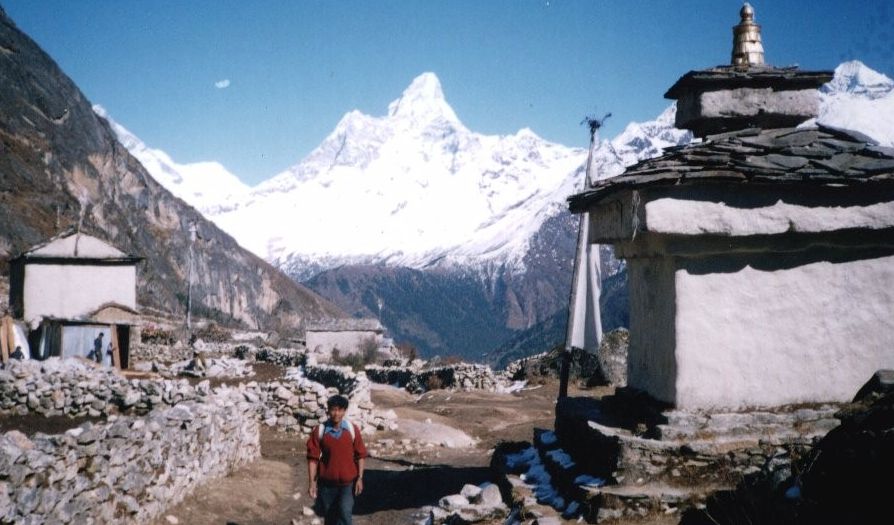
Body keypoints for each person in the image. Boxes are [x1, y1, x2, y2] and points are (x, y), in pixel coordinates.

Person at [306, 394, 367, 525]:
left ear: (344, 411)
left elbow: (360, 455)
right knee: (330, 517)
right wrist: (312, 483)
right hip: (327, 485)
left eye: (340, 410)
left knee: (345, 514)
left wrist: (360, 478)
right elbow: (313, 459)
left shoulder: (352, 430)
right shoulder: (320, 431)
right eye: (333, 409)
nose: (336, 413)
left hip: (347, 484)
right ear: (328, 410)